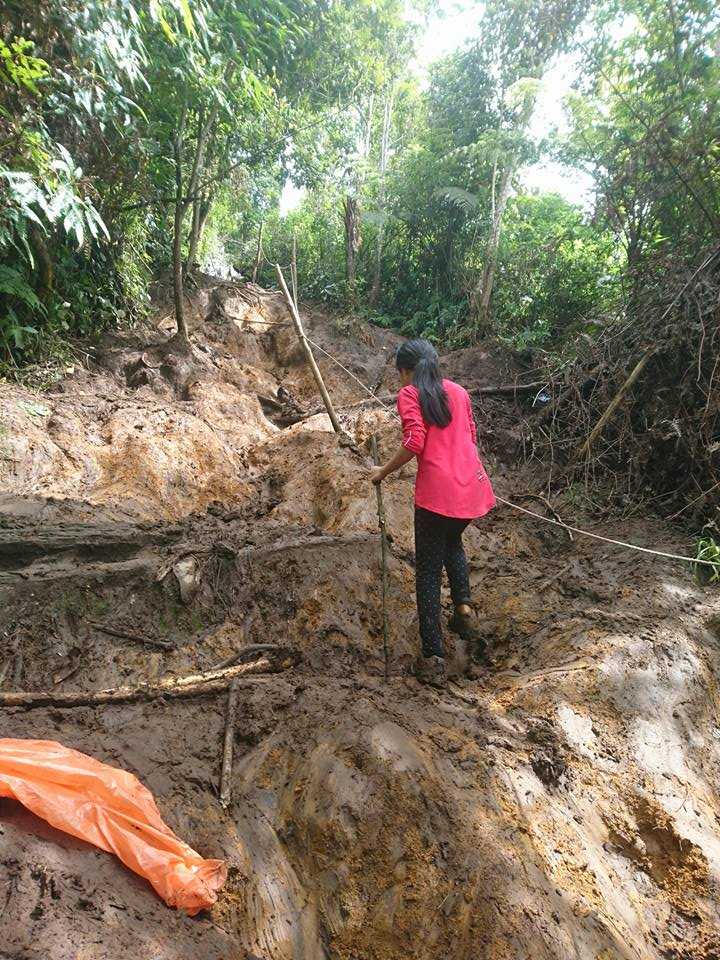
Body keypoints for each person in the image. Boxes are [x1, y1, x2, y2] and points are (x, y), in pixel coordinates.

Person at [370, 339, 495, 686]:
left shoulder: (410, 394)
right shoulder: (459, 392)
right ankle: (463, 608)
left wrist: (382, 471)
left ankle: (434, 656)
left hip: (437, 493)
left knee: (427, 571)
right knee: (453, 542)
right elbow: (470, 436)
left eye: (400, 373)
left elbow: (414, 441)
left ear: (405, 370)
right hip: (471, 488)